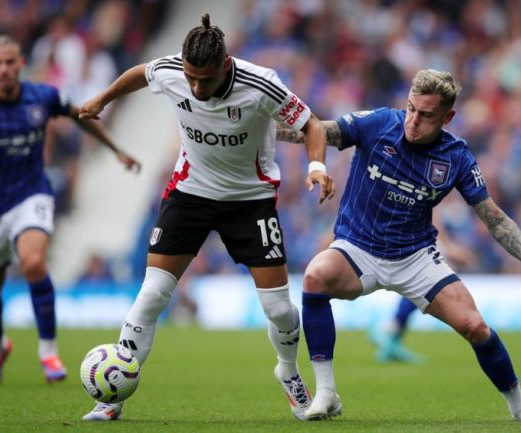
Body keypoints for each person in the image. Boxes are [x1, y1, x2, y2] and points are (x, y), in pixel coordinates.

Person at [77, 14, 335, 421]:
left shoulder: (261, 84)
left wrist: (316, 167)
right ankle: (111, 399)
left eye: (206, 80)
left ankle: (287, 371)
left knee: (280, 311)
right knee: (151, 294)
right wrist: (102, 99)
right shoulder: (172, 69)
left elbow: (312, 125)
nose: (196, 88)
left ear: (226, 64)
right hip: (190, 193)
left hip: (250, 201)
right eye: (191, 78)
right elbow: (141, 73)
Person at [278, 69, 521, 422]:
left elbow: (494, 217)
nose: (413, 121)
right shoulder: (379, 123)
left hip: (415, 257)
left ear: (448, 117)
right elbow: (319, 128)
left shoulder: (456, 157)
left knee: (476, 327)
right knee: (315, 277)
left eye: (426, 115)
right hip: (358, 248)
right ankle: (327, 394)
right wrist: (263, 128)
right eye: (411, 109)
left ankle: (520, 408)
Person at [0, 35, 140, 386]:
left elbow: (81, 114)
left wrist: (115, 149)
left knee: (34, 262)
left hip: (31, 194)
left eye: (11, 62)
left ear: (21, 64)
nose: (5, 69)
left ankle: (48, 352)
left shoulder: (42, 97)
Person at [368, 213, 476, 364]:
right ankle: (389, 328)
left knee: (417, 289)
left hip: (416, 243)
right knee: (423, 287)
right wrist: (450, 250)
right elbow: (435, 224)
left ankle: (392, 341)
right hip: (420, 245)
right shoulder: (433, 192)